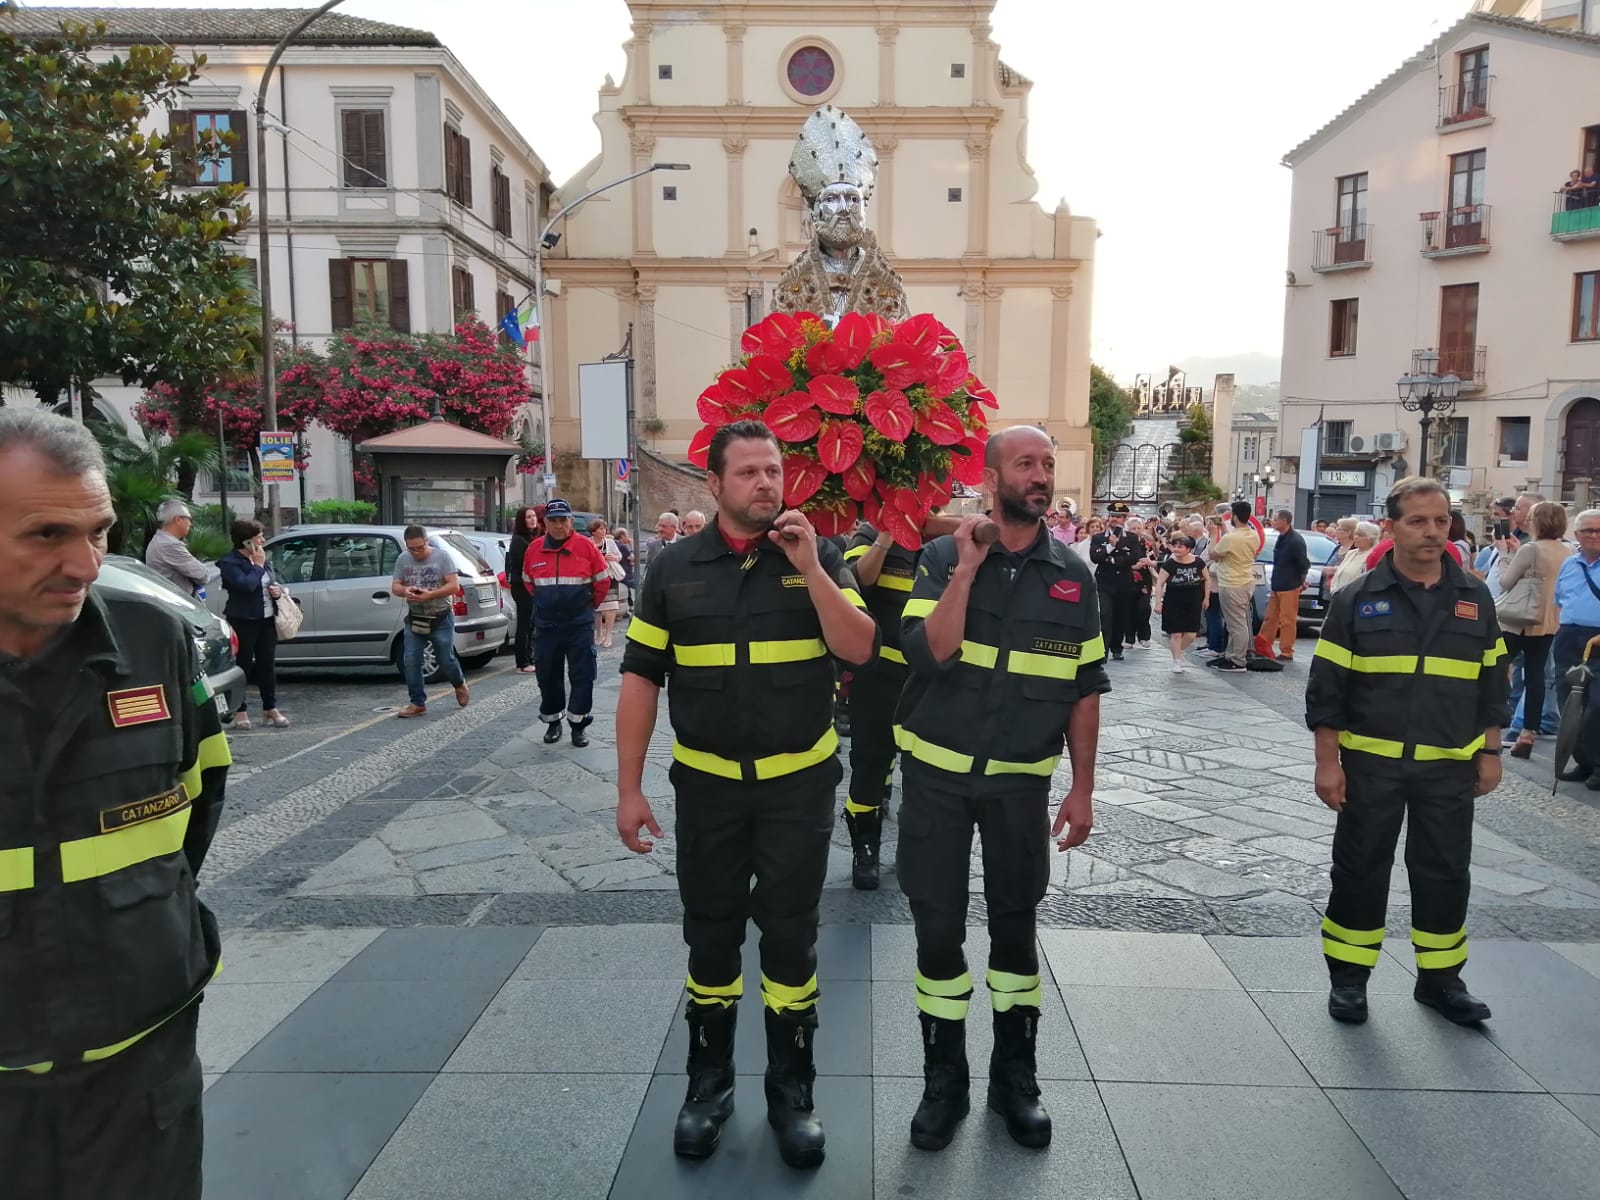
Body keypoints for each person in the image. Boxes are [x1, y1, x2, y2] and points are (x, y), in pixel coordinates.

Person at [614, 420, 876, 1169]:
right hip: (708, 793)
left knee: (792, 940)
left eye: (775, 470)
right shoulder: (673, 569)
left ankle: (793, 1094)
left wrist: (812, 570)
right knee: (712, 937)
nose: (768, 483)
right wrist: (628, 789)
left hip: (797, 790)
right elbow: (639, 680)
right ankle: (708, 1087)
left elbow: (860, 647)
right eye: (751, 472)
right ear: (716, 484)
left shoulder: (818, 553)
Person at [0, 408, 230, 1199]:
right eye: (48, 536)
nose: (87, 564)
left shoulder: (155, 644)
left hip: (143, 1066)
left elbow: (197, 804)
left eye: (97, 532)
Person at [893, 426, 1105, 1153]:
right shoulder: (942, 556)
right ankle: (943, 1079)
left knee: (1016, 929)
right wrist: (965, 570)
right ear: (993, 478)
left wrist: (1082, 787)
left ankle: (1016, 1077)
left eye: (1047, 463)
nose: (1040, 474)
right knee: (937, 929)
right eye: (1026, 463)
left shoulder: (1073, 575)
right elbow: (927, 651)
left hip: (1020, 788)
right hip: (936, 783)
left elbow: (1085, 688)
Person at [1308, 476, 1507, 1027]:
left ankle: (1441, 981)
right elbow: (1328, 690)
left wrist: (1491, 751)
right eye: (1418, 521)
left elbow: (1494, 679)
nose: (1432, 532)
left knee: (1445, 872)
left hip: (1448, 766)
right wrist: (1329, 762)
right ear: (1392, 527)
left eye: (1441, 521)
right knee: (1359, 871)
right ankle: (1349, 979)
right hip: (1372, 766)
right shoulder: (1357, 600)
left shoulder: (1474, 596)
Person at [840, 519, 920, 889]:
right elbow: (860, 578)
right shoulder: (871, 533)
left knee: (924, 773)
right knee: (870, 765)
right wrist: (887, 536)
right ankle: (865, 848)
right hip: (881, 674)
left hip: (929, 680)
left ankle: (915, 848)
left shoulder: (948, 539)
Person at [526, 499, 609, 747]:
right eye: (554, 520)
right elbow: (529, 583)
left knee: (583, 676)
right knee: (548, 675)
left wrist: (585, 605)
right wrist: (547, 603)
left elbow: (602, 582)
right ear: (546, 523)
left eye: (563, 519)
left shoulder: (586, 547)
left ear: (571, 521)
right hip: (547, 625)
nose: (559, 525)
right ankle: (553, 722)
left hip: (579, 624)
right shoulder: (533, 549)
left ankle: (578, 725)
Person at [1494, 501, 1569, 760]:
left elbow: (1505, 581)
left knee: (1498, 668)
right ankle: (1528, 733)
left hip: (1518, 619)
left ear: (1537, 521)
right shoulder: (1567, 551)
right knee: (1535, 675)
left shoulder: (1531, 549)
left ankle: (1491, 725)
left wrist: (1504, 554)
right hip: (1548, 620)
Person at [216, 519, 289, 729]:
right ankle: (240, 710)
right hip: (243, 620)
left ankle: (270, 707)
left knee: (267, 665)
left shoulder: (262, 558)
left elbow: (272, 579)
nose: (263, 540)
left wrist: (276, 590)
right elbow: (245, 585)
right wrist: (256, 566)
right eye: (259, 537)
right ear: (246, 541)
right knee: (243, 665)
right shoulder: (230, 562)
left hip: (266, 618)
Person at [391, 525, 470, 719]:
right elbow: (395, 585)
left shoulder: (442, 557)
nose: (416, 553)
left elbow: (454, 585)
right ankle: (417, 702)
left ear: (427, 541)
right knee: (410, 660)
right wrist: (405, 591)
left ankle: (459, 684)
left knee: (445, 659)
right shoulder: (403, 559)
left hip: (441, 616)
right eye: (412, 549)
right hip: (415, 618)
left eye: (420, 548)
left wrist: (430, 595)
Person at [1552, 509, 1600, 787]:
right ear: (1577, 535)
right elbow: (1560, 600)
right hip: (1569, 638)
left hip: (1598, 639)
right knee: (1569, 702)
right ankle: (1583, 760)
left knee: (1596, 706)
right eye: (1587, 530)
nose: (1593, 535)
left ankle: (1599, 764)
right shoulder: (1570, 564)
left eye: (1598, 530)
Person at [1207, 501, 1258, 672]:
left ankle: (1238, 659)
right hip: (1245, 581)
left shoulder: (1231, 538)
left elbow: (1214, 554)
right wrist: (1223, 529)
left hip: (1232, 583)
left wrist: (1214, 534)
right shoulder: (1252, 535)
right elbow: (1231, 544)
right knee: (1235, 622)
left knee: (1236, 624)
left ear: (1234, 516)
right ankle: (1231, 655)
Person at [1090, 503, 1139, 661]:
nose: (1114, 519)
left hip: (1124, 583)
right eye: (1112, 516)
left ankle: (1116, 647)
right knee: (1105, 616)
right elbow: (1095, 557)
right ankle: (1102, 650)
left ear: (1125, 518)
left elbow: (1133, 558)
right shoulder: (1099, 537)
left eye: (1118, 517)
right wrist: (1110, 547)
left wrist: (1111, 559)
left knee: (1121, 617)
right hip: (1105, 582)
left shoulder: (1131, 538)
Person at [1154, 534, 1208, 672]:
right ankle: (1176, 660)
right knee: (1176, 633)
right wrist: (1158, 603)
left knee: (1191, 634)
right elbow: (1160, 583)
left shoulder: (1198, 562)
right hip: (1173, 601)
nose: (1176, 549)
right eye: (1175, 546)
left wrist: (1206, 597)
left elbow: (1207, 579)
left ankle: (1179, 651)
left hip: (1193, 601)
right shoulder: (1169, 564)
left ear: (1188, 549)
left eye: (1180, 547)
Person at [1264, 508, 1309, 661]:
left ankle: (1286, 651)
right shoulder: (1282, 538)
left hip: (1290, 584)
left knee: (1287, 620)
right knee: (1270, 618)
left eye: (1276, 519)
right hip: (1278, 583)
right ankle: (1264, 645)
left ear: (1284, 521)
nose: (1273, 522)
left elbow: (1303, 563)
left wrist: (1301, 582)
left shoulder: (1295, 540)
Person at [143, 499, 209, 597]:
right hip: (177, 604)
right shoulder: (169, 545)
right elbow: (203, 575)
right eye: (189, 519)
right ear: (178, 520)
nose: (190, 523)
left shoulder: (160, 540)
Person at [507, 505, 542, 673]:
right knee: (525, 623)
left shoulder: (533, 537)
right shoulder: (519, 540)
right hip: (521, 585)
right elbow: (524, 564)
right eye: (529, 517)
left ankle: (530, 657)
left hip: (532, 585)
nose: (533, 519)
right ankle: (522, 662)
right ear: (522, 520)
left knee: (531, 623)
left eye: (534, 516)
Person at [590, 519, 624, 649]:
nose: (603, 531)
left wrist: (615, 558)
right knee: (597, 608)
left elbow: (619, 556)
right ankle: (598, 634)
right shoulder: (588, 543)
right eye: (600, 529)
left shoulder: (609, 543)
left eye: (604, 529)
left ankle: (608, 635)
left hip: (610, 577)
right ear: (593, 531)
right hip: (595, 578)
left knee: (611, 606)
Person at [1330, 522, 1380, 593]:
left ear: (1371, 539)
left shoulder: (1373, 555)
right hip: (1338, 596)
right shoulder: (1351, 553)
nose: (1356, 537)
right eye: (1355, 534)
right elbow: (1338, 575)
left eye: (1360, 535)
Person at [643, 511, 682, 577]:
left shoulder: (684, 542)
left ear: (674, 528)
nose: (660, 529)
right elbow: (649, 567)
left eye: (664, 526)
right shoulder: (653, 545)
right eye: (659, 525)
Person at [614, 526, 636, 614]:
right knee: (641, 586)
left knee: (627, 590)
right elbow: (633, 558)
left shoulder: (615, 544)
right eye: (627, 534)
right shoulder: (622, 547)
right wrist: (632, 546)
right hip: (626, 574)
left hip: (620, 573)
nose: (628, 536)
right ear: (622, 536)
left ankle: (630, 606)